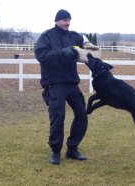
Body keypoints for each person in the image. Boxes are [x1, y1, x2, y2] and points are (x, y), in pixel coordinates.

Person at [34, 9, 88, 165]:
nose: (68, 22)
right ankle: (55, 151)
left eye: (69, 20)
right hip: (54, 83)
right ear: (57, 20)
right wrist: (62, 53)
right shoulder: (47, 36)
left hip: (71, 82)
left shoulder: (73, 36)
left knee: (82, 114)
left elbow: (83, 40)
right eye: (65, 20)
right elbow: (41, 55)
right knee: (58, 117)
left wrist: (87, 44)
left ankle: (72, 148)